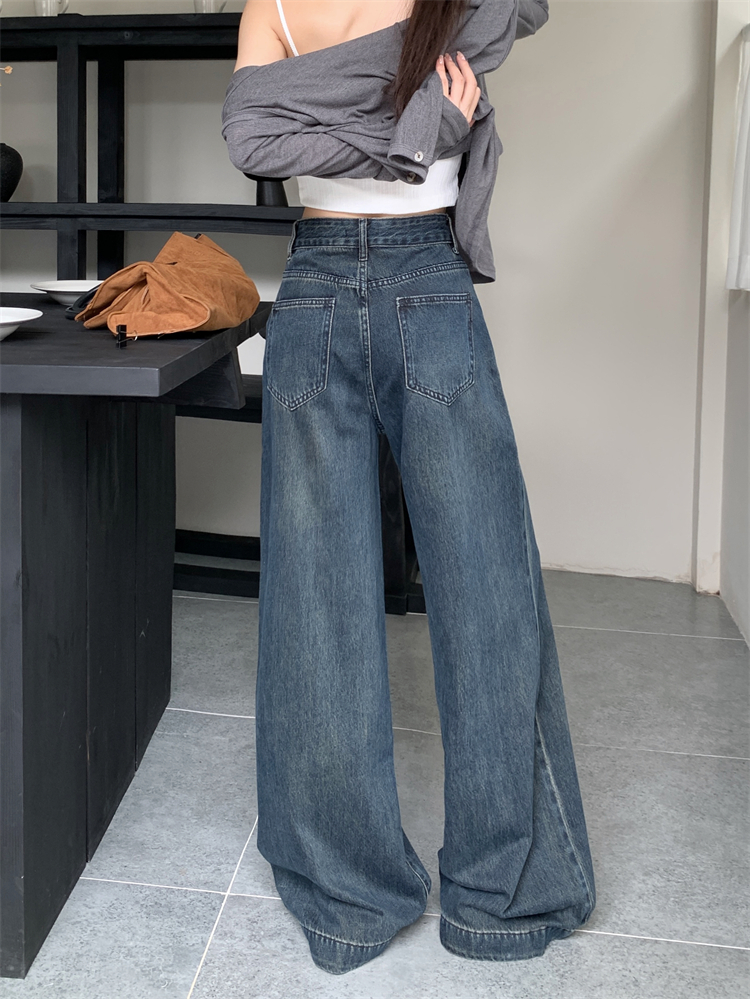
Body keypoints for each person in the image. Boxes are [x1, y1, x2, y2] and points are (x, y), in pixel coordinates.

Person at [223, 0, 596, 975]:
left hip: (313, 290)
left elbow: (262, 139)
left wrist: (331, 124)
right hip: (425, 282)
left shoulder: (275, 9)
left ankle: (346, 899)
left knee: (316, 604)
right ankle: (502, 897)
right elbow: (250, 140)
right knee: (488, 594)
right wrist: (420, 129)